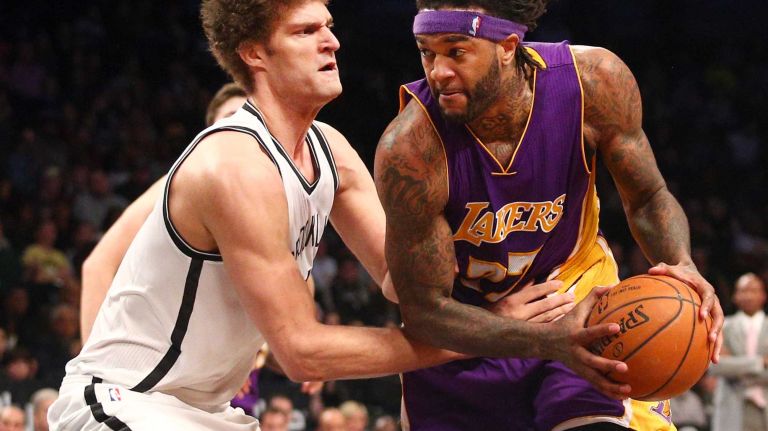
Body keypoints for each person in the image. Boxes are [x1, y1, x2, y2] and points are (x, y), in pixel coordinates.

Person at [48, 1, 623, 430]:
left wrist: (528, 238)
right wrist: (500, 336)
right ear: (255, 54)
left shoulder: (330, 149)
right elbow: (302, 352)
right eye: (306, 32)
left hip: (208, 412)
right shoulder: (233, 165)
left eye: (329, 27)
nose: (332, 43)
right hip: (130, 402)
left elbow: (406, 284)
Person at [374, 1, 725, 430]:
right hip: (464, 336)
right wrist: (542, 341)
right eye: (426, 51)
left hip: (575, 305)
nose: (438, 70)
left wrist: (681, 263)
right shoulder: (409, 148)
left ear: (507, 45)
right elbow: (426, 309)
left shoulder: (594, 81)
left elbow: (649, 197)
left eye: (456, 51)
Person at [710, 273, 768, 431]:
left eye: (754, 290)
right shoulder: (722, 327)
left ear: (763, 295)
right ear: (735, 296)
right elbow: (716, 366)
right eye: (743, 291)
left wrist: (735, 369)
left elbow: (727, 367)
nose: (748, 295)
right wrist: (760, 362)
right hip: (731, 407)